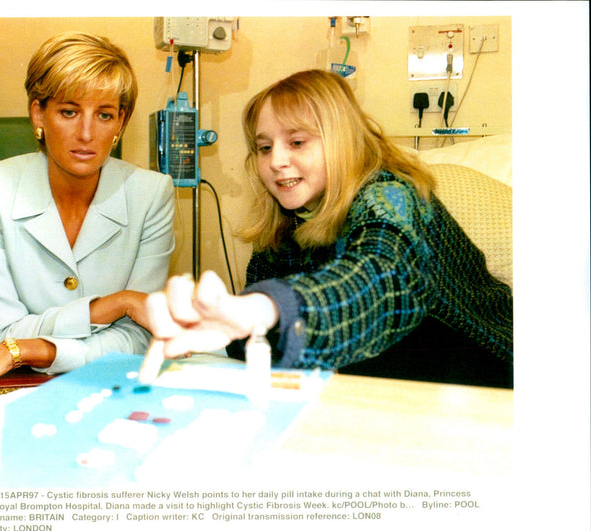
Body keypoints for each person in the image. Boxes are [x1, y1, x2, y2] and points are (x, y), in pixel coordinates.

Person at [145, 69, 512, 387]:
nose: (276, 161)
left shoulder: (392, 195)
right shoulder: (286, 221)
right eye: (264, 147)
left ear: (342, 140)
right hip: (373, 373)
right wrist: (230, 322)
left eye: (297, 142)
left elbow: (376, 280)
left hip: (479, 370)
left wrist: (265, 309)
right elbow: (261, 333)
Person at [0, 32, 175, 395]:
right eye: (69, 111)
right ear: (38, 112)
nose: (86, 133)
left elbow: (140, 336)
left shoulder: (151, 194)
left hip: (110, 380)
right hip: (12, 383)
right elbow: (3, 333)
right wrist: (116, 304)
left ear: (121, 121)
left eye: (104, 114)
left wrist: (39, 349)